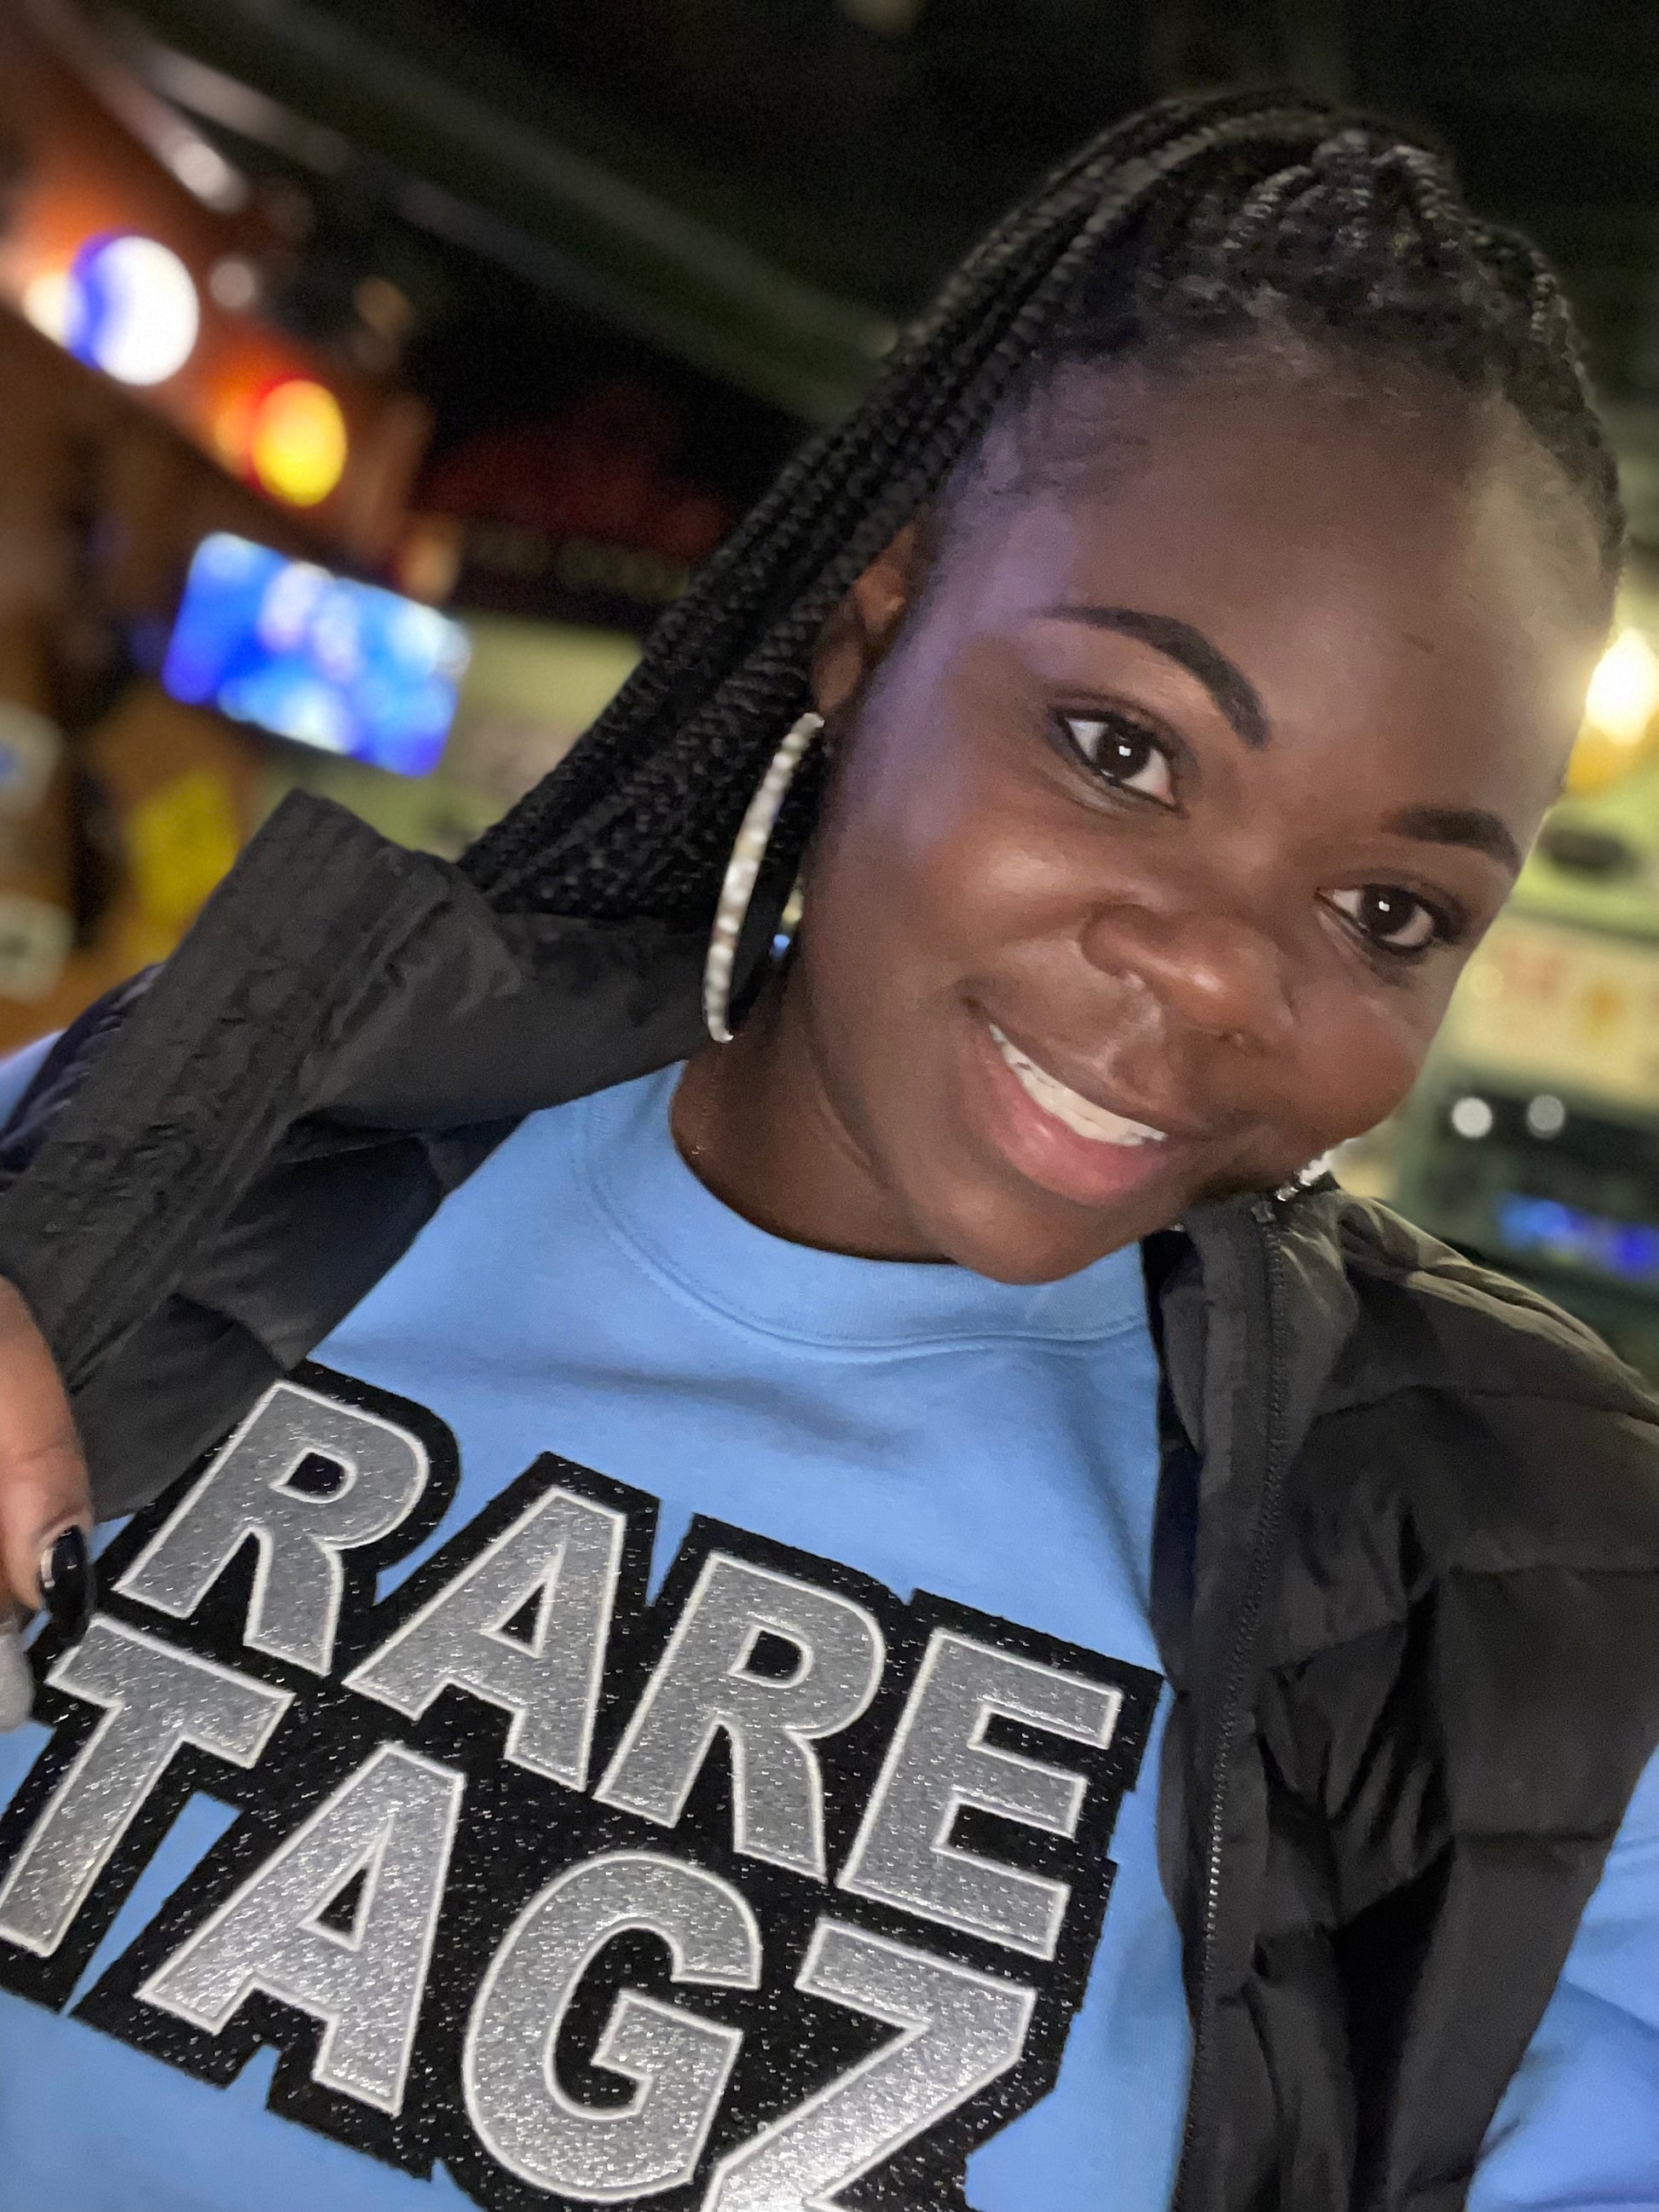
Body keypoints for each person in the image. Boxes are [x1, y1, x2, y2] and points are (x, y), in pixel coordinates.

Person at [0, 87, 1650, 2212]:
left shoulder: (1524, 1621)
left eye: (1387, 911)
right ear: (869, 641)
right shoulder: (190, 1137)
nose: (1224, 981)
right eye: (1120, 747)